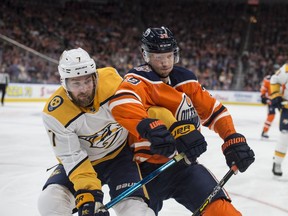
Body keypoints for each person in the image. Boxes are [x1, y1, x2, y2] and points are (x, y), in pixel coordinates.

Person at [109, 26, 255, 215]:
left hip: (182, 167)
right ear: (145, 55)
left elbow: (215, 111)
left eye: (169, 56)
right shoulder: (138, 79)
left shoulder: (185, 80)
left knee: (224, 212)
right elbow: (121, 103)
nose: (165, 63)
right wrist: (149, 127)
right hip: (141, 171)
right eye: (158, 57)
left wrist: (232, 137)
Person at [38, 48, 155, 216]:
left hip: (120, 157)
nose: (84, 89)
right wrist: (89, 198)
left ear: (95, 77)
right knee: (50, 201)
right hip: (84, 161)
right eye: (76, 83)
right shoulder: (55, 113)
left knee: (136, 211)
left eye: (87, 81)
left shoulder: (112, 83)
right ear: (64, 83)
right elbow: (72, 157)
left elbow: (138, 112)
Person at [269, 63, 288, 176]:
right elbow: (275, 79)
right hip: (287, 109)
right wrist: (276, 95)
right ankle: (277, 162)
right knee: (285, 136)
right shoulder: (286, 69)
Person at [260, 74, 276, 138]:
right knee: (271, 115)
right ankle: (264, 131)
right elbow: (264, 88)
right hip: (272, 100)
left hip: (280, 99)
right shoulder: (268, 79)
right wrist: (263, 96)